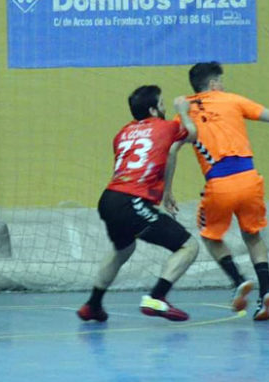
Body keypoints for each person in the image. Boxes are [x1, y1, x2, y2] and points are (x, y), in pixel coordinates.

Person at [175, 62, 269, 321]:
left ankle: (237, 280)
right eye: (222, 81)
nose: (224, 85)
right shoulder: (231, 99)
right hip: (249, 178)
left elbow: (181, 140)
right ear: (213, 84)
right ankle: (266, 290)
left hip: (219, 183)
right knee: (253, 236)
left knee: (209, 236)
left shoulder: (183, 109)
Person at [77, 85, 200, 322]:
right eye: (162, 104)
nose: (165, 107)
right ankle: (157, 297)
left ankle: (93, 304)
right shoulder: (166, 127)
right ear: (154, 109)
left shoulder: (122, 133)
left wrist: (165, 192)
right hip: (130, 201)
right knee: (188, 246)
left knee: (123, 249)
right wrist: (183, 111)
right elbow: (193, 135)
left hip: (109, 199)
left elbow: (151, 161)